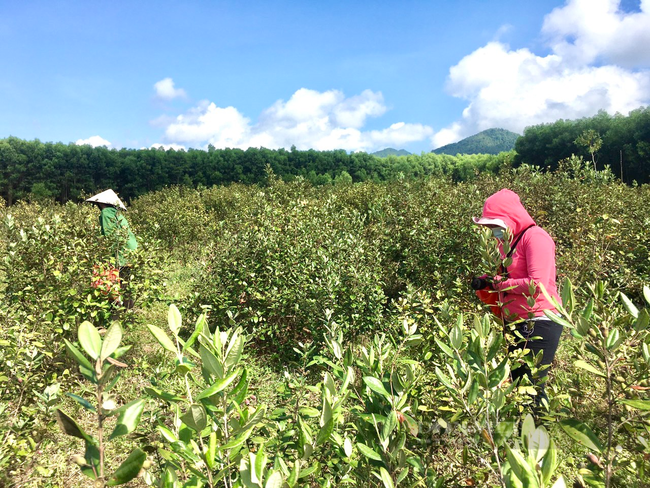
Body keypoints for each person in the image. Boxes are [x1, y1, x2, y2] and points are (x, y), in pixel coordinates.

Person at [472, 188, 562, 406]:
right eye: (490, 226)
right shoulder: (507, 243)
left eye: (495, 225)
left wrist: (498, 284)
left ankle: (539, 434)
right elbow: (507, 275)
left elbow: (536, 284)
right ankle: (525, 435)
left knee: (531, 387)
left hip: (539, 320)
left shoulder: (536, 238)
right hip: (516, 322)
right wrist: (486, 280)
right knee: (519, 385)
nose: (494, 231)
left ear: (510, 218)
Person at [86, 189, 137, 307]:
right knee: (125, 281)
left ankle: (119, 310)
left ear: (101, 203)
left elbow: (109, 235)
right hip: (130, 248)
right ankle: (128, 309)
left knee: (118, 280)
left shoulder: (105, 213)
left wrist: (104, 254)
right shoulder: (116, 212)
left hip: (122, 249)